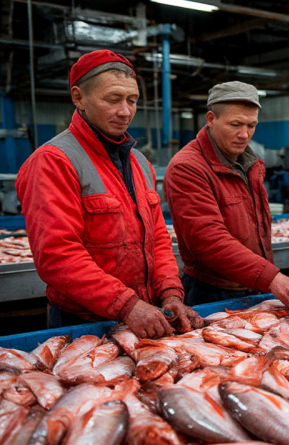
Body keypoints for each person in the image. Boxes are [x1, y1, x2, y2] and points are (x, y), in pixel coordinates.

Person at [16, 49, 202, 338]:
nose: (125, 111)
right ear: (78, 98)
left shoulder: (139, 162)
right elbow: (57, 255)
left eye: (132, 100)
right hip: (82, 323)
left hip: (145, 313)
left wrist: (170, 293)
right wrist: (126, 305)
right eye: (112, 99)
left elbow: (158, 239)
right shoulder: (54, 161)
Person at [164, 81, 289, 311]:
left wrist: (264, 278)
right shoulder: (188, 167)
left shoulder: (250, 163)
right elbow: (208, 241)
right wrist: (272, 278)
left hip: (254, 284)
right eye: (235, 124)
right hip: (213, 294)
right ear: (211, 119)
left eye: (251, 125)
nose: (244, 134)